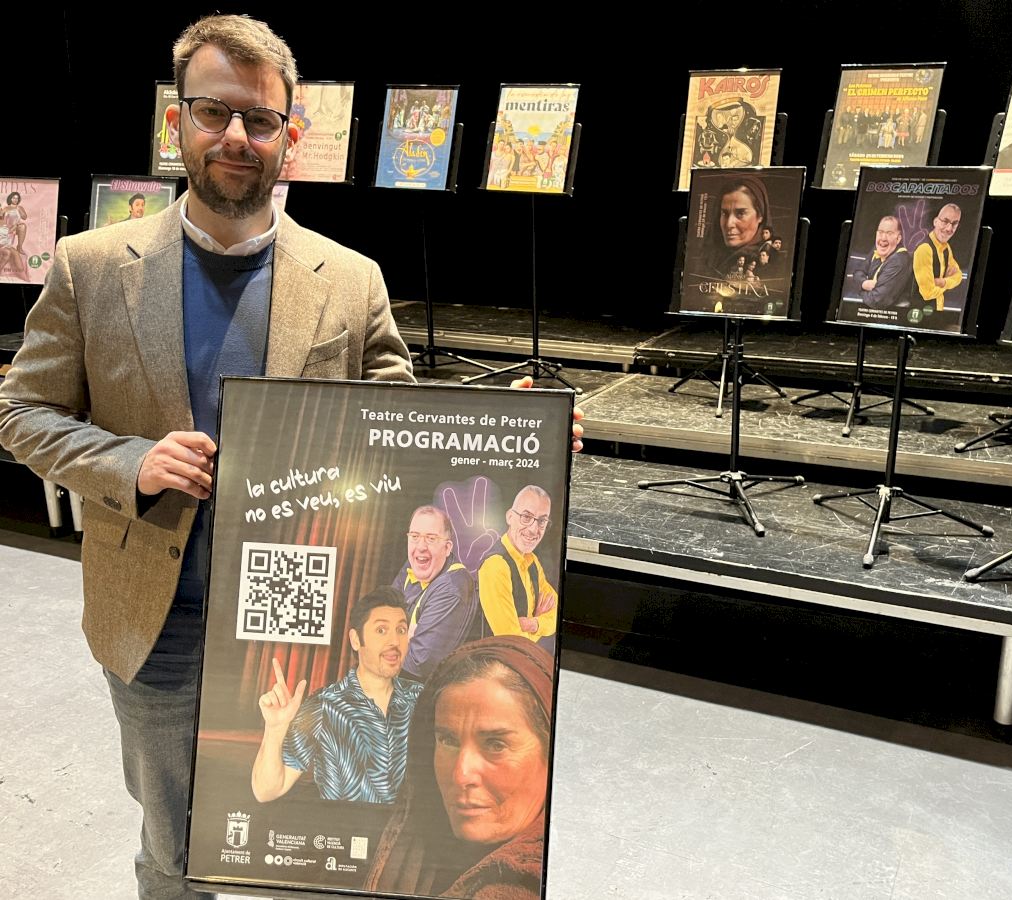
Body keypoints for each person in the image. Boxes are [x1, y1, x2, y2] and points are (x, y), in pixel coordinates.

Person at [0, 15, 581, 900]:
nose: (236, 136)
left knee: (311, 841)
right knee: (172, 840)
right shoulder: (91, 267)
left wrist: (515, 437)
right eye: (213, 112)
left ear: (289, 137)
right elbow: (20, 412)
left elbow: (405, 429)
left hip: (305, 623)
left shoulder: (349, 278)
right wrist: (129, 463)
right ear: (177, 122)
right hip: (156, 618)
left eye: (260, 119)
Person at [364, 636, 554, 899]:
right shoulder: (415, 859)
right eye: (448, 740)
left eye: (496, 744)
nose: (460, 774)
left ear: (551, 752)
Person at [251, 586, 422, 803]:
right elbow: (266, 791)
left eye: (401, 630)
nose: (395, 642)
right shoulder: (324, 706)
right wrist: (275, 730)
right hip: (344, 824)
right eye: (381, 630)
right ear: (356, 639)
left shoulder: (422, 699)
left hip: (407, 826)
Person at [393, 505, 481, 682]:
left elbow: (419, 663)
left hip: (421, 692)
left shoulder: (452, 587)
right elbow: (377, 613)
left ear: (447, 548)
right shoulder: (414, 564)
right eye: (415, 536)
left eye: (431, 538)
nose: (421, 547)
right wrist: (406, 637)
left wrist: (388, 636)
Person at [478, 485, 557, 646]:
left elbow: (556, 611)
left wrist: (533, 624)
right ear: (509, 517)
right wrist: (540, 622)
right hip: (496, 660)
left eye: (542, 521)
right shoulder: (495, 566)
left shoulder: (532, 561)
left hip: (523, 657)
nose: (534, 529)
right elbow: (511, 643)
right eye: (526, 517)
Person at [704, 174, 770, 280]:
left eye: (740, 213)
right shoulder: (708, 257)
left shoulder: (767, 263)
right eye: (724, 213)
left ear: (760, 215)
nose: (729, 224)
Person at [850, 215, 913, 309]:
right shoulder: (877, 248)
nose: (883, 238)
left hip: (892, 313)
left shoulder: (899, 260)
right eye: (880, 232)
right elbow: (858, 272)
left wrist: (859, 288)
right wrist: (864, 284)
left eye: (889, 233)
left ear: (898, 238)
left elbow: (877, 301)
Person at [912, 203, 964, 313]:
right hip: (919, 314)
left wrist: (942, 282)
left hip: (937, 309)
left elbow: (958, 276)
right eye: (945, 221)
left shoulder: (946, 248)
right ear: (935, 221)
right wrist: (949, 282)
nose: (949, 228)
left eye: (954, 224)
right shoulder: (925, 249)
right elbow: (928, 293)